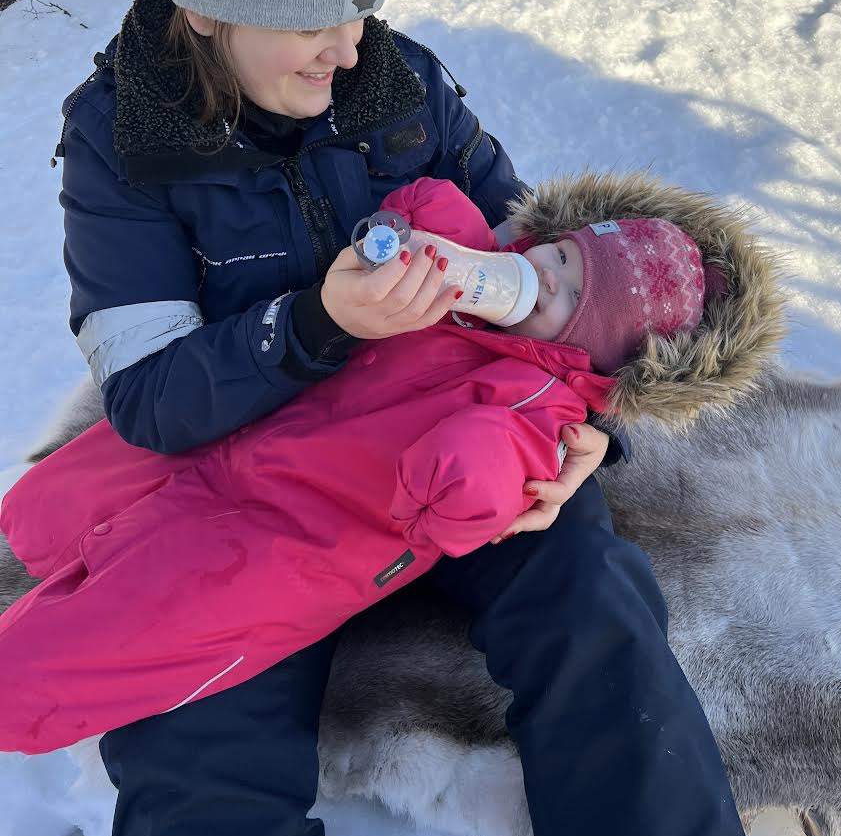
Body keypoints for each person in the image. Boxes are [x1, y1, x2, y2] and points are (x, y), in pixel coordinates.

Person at [31, 0, 769, 836]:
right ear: (205, 9)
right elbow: (150, 399)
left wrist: (590, 437)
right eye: (308, 20)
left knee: (593, 606)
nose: (346, 48)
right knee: (197, 744)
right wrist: (318, 326)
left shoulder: (398, 83)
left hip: (458, 440)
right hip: (256, 490)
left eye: (358, 7)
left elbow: (549, 282)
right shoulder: (122, 141)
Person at [0, 172, 776, 755]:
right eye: (561, 254)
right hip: (248, 429)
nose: (546, 275)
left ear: (596, 355)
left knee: (108, 644)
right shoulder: (471, 273)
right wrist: (406, 238)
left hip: (290, 544)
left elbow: (478, 488)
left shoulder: (536, 407)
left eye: (570, 295)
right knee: (49, 508)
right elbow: (427, 201)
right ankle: (38, 539)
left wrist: (472, 463)